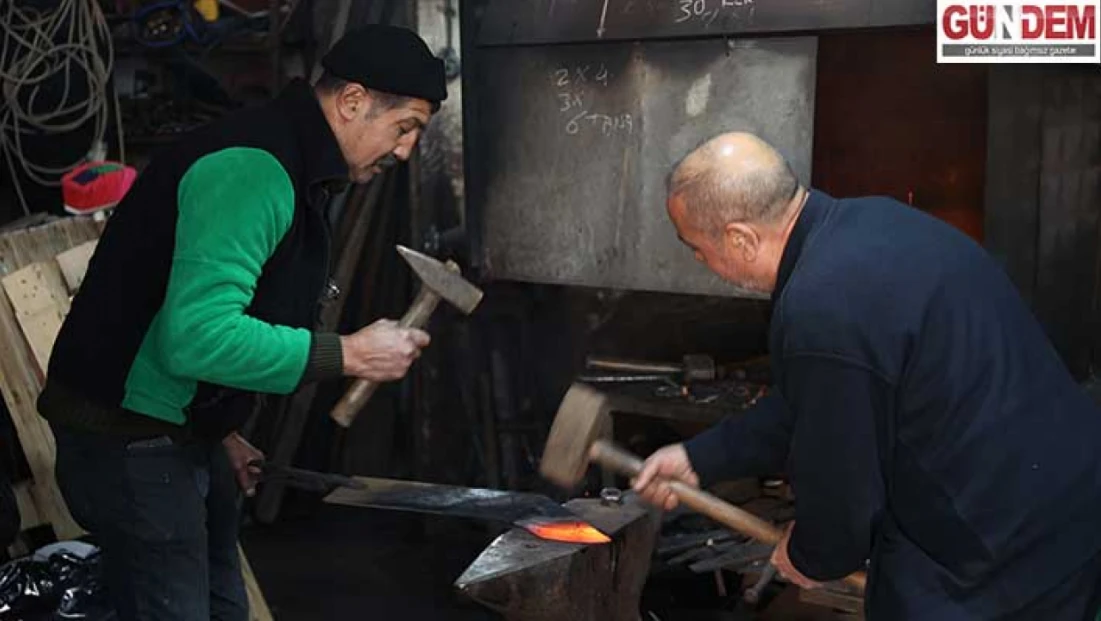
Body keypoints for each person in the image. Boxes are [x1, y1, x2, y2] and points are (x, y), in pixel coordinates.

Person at [36, 25, 447, 621]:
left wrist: (220, 427)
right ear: (354, 101)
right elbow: (197, 336)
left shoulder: (296, 162)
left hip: (182, 428)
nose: (405, 150)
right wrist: (348, 354)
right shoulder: (254, 168)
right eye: (404, 127)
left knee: (226, 607)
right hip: (128, 439)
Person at [632, 132, 1101, 619]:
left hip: (1004, 544)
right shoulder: (865, 223)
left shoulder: (821, 306)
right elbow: (812, 403)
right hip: (1056, 490)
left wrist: (815, 554)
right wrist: (700, 457)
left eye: (696, 247)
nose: (698, 260)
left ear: (741, 238)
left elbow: (842, 477)